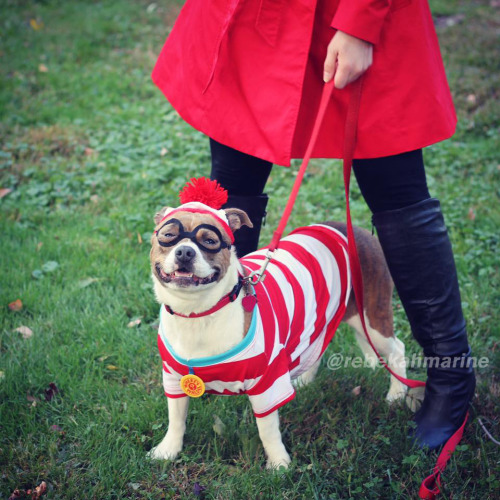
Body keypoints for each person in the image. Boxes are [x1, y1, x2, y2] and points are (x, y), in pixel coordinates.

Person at [152, 0, 475, 450]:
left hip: (354, 15)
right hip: (253, 17)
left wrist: (363, 21)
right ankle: (224, 354)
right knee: (232, 181)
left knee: (395, 187)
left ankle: (452, 377)